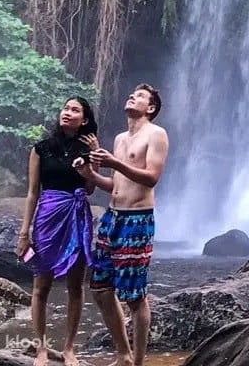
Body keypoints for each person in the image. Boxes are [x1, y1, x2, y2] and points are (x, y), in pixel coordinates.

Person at [75, 84, 169, 366]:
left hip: (137, 220)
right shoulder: (119, 138)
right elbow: (115, 186)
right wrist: (89, 172)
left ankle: (138, 362)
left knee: (135, 295)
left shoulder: (156, 134)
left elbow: (151, 177)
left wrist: (114, 162)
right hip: (112, 217)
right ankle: (123, 354)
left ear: (150, 108)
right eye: (132, 93)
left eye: (140, 96)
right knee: (101, 288)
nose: (132, 96)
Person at [16, 96, 99, 366]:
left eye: (75, 110)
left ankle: (69, 348)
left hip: (76, 218)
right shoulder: (41, 148)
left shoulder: (87, 150)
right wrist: (24, 232)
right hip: (47, 217)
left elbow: (89, 189)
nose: (67, 112)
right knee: (41, 285)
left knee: (76, 285)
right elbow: (32, 194)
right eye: (65, 108)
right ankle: (40, 347)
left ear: (84, 120)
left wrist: (94, 159)